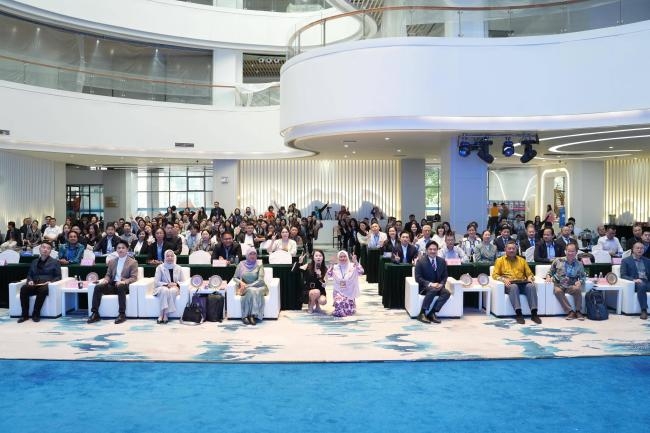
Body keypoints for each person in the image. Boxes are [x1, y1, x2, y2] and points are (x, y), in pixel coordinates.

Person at [87, 240, 138, 324]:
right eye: (119, 248)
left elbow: (134, 278)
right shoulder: (112, 261)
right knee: (98, 287)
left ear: (127, 249)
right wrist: (106, 280)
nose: (121, 250)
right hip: (113, 285)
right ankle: (95, 313)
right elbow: (108, 275)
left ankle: (122, 314)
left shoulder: (133, 262)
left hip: (124, 286)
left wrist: (124, 282)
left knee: (120, 286)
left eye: (123, 248)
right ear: (116, 250)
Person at [492, 240, 541, 325]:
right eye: (509, 248)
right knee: (514, 287)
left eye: (513, 249)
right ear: (505, 249)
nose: (511, 250)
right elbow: (495, 275)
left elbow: (530, 274)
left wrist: (530, 278)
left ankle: (534, 314)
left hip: (522, 283)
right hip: (509, 284)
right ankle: (518, 314)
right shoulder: (500, 260)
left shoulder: (522, 260)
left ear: (516, 249)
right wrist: (503, 279)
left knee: (531, 286)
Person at [18, 242, 61, 323]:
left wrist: (50, 282)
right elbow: (29, 275)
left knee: (43, 289)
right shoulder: (34, 261)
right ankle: (24, 315)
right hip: (34, 284)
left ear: (50, 251)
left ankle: (36, 314)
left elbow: (58, 276)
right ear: (40, 249)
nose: (45, 250)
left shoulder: (55, 262)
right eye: (43, 247)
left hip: (46, 285)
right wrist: (30, 280)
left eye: (48, 248)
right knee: (24, 288)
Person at [546, 243, 586, 320]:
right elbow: (550, 272)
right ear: (565, 251)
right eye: (568, 251)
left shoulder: (579, 264)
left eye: (572, 251)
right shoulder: (558, 260)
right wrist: (548, 277)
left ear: (576, 252)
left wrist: (580, 281)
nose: (570, 253)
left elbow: (583, 277)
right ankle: (570, 311)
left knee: (577, 290)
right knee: (557, 291)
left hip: (571, 285)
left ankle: (578, 311)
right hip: (558, 284)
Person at [414, 240, 450, 324]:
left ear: (437, 250)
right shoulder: (420, 261)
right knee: (433, 289)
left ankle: (432, 313)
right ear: (426, 250)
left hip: (438, 286)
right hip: (425, 287)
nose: (433, 251)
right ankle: (422, 313)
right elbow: (418, 278)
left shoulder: (442, 261)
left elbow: (445, 276)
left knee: (446, 293)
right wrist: (430, 284)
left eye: (435, 249)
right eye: (430, 249)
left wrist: (442, 284)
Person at [232, 249, 268, 325]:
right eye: (250, 254)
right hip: (245, 287)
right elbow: (235, 278)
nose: (252, 256)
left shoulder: (259, 265)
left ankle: (248, 315)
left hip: (260, 287)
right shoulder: (241, 264)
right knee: (251, 291)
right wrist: (241, 282)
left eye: (254, 254)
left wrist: (248, 286)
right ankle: (250, 316)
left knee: (253, 290)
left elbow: (260, 280)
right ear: (247, 255)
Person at [153, 250, 187, 324]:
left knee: (171, 291)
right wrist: (167, 284)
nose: (170, 258)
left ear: (174, 257)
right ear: (165, 257)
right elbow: (156, 282)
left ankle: (165, 314)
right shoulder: (160, 267)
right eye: (168, 256)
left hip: (174, 288)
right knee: (165, 290)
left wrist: (176, 284)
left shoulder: (178, 267)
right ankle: (162, 314)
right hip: (162, 287)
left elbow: (183, 281)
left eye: (172, 256)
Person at [327, 250, 364, 317]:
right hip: (338, 291)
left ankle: (349, 304)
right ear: (338, 258)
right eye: (341, 257)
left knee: (349, 312)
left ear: (347, 257)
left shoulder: (352, 266)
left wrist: (356, 261)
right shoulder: (335, 267)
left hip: (350, 292)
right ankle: (337, 306)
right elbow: (328, 275)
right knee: (339, 306)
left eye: (344, 256)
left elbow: (361, 272)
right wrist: (332, 264)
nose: (343, 258)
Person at [620, 242, 650, 320]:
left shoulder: (647, 261)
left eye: (642, 248)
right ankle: (644, 310)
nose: (640, 250)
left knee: (644, 284)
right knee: (642, 285)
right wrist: (634, 280)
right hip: (636, 282)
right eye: (637, 248)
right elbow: (623, 275)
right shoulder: (626, 261)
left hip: (647, 281)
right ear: (633, 249)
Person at [297, 249, 328, 314]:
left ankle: (317, 304)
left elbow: (324, 285)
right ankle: (311, 305)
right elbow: (297, 270)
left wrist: (320, 276)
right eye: (316, 256)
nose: (318, 257)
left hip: (320, 291)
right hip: (308, 290)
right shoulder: (308, 266)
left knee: (323, 301)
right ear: (313, 258)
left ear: (323, 258)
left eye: (320, 256)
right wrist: (300, 262)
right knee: (316, 292)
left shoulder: (324, 269)